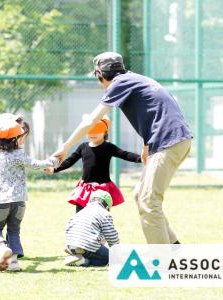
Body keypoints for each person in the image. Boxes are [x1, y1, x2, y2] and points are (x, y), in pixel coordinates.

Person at [53, 52, 193, 244]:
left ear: (99, 73)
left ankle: (162, 262)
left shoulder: (119, 83)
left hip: (167, 142)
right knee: (141, 195)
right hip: (174, 140)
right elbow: (154, 111)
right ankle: (174, 248)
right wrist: (146, 145)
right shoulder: (136, 79)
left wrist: (65, 147)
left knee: (148, 201)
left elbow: (92, 120)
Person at [0, 114, 57, 272]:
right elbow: (36, 164)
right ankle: (13, 262)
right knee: (13, 230)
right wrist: (53, 161)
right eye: (20, 136)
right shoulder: (19, 155)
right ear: (15, 140)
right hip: (18, 202)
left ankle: (2, 247)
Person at [46, 115, 140, 213]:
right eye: (90, 130)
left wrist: (141, 158)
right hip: (85, 190)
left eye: (97, 129)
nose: (92, 133)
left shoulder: (108, 147)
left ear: (105, 131)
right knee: (80, 217)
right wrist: (54, 169)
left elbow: (125, 154)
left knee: (101, 218)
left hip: (102, 191)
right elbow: (70, 161)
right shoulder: (83, 147)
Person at [64, 190, 119, 267]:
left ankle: (75, 254)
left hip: (71, 243)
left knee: (91, 248)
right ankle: (83, 261)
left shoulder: (81, 212)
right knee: (109, 258)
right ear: (107, 206)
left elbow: (68, 227)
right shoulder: (104, 213)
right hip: (88, 244)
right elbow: (111, 235)